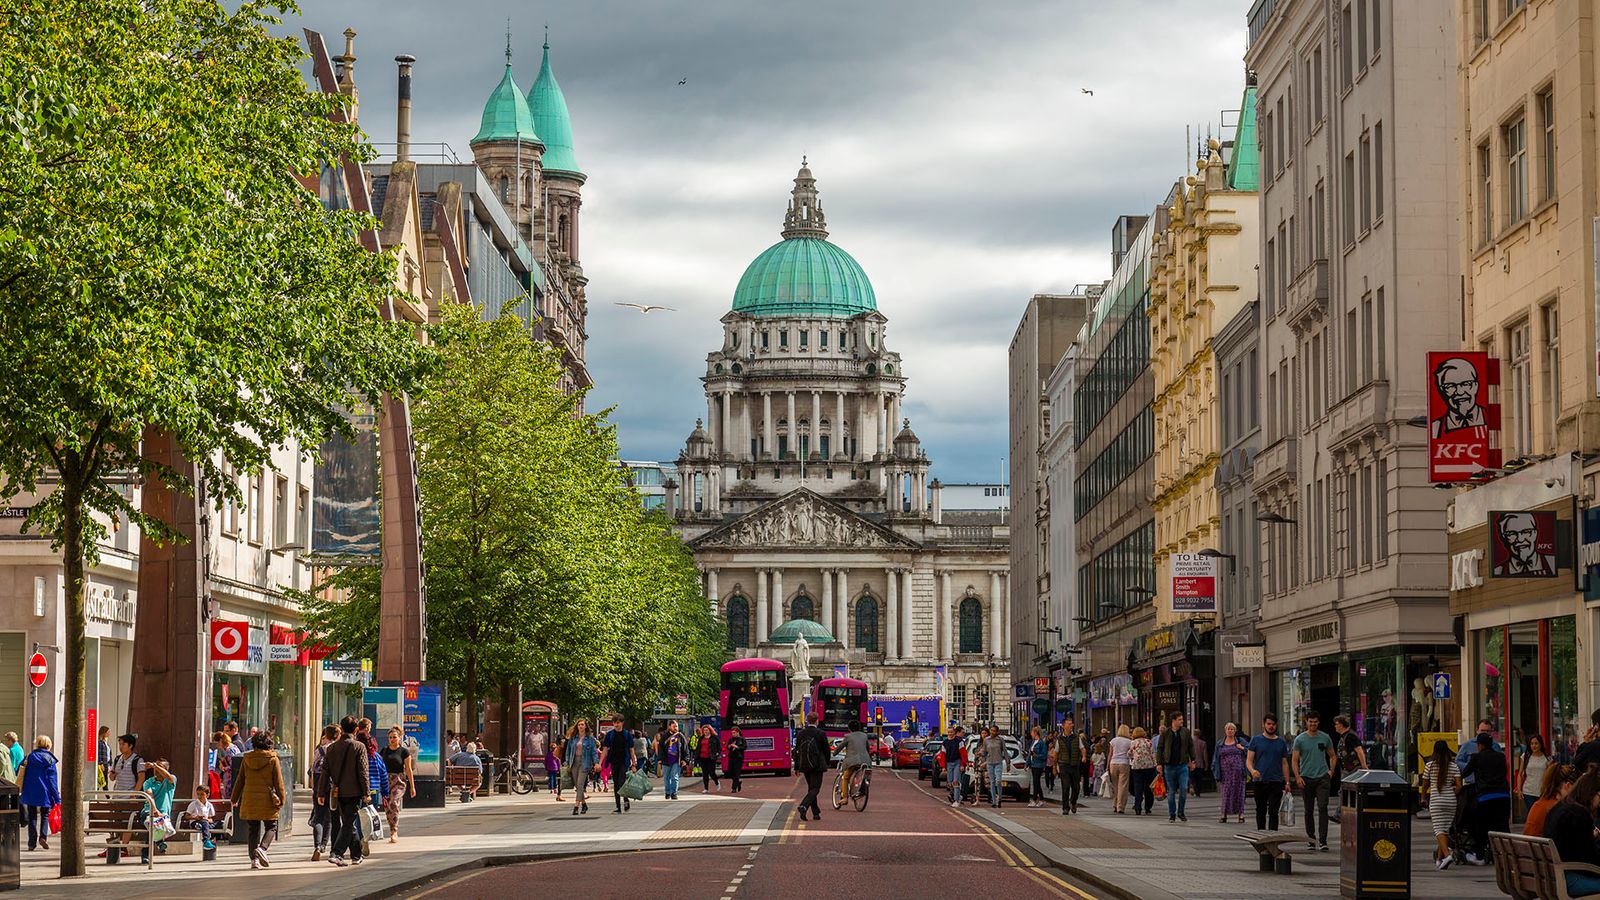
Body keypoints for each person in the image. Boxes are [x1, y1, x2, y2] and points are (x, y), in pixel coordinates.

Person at [315, 715, 369, 867]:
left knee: (348, 823)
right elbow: (363, 772)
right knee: (348, 823)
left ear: (342, 728)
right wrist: (366, 792)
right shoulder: (359, 747)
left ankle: (356, 855)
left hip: (337, 792)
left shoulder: (331, 748)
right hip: (354, 792)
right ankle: (336, 853)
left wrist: (320, 793)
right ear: (356, 729)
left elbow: (325, 772)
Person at [231, 731, 285, 869]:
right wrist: (282, 800)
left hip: (250, 798)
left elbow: (240, 779)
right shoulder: (273, 759)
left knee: (253, 829)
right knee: (271, 826)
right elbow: (278, 783)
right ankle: (262, 848)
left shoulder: (247, 758)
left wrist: (234, 798)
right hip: (267, 799)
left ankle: (254, 861)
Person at [1542, 771, 1600, 896]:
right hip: (1570, 880)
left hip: (1552, 877)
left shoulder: (1560, 808)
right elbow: (1590, 861)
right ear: (1591, 794)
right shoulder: (1579, 814)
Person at [1463, 731, 1511, 865]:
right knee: (1502, 826)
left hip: (1485, 797)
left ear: (1479, 745)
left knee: (1480, 826)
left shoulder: (1476, 757)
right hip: (1503, 796)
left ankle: (1479, 855)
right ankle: (1507, 853)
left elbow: (1465, 773)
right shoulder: (1501, 757)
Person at [1291, 710, 1336, 851]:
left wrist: (1331, 772)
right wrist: (1297, 777)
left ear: (1318, 722)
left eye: (1315, 722)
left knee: (1323, 807)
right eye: (1310, 722)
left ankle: (1323, 841)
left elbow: (1333, 756)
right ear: (1306, 722)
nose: (1313, 724)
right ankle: (1311, 838)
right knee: (1308, 810)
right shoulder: (1300, 739)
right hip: (1306, 778)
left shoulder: (1325, 737)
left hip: (1322, 777)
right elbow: (1294, 760)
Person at [1421, 738, 1462, 869]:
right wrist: (1451, 793)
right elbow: (1459, 786)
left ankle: (1447, 854)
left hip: (1436, 801)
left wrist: (1423, 798)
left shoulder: (1429, 766)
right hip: (1450, 801)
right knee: (1444, 830)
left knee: (1438, 830)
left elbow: (1425, 785)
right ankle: (1439, 859)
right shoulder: (1454, 766)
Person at [1247, 713, 1291, 831]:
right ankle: (1261, 836)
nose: (1271, 726)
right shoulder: (1256, 740)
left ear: (1276, 726)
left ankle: (1272, 837)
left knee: (1273, 811)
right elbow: (1249, 760)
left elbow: (1284, 763)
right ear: (1264, 725)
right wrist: (1252, 770)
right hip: (1260, 781)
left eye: (1273, 724)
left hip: (1276, 781)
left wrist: (1287, 782)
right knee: (1260, 810)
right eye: (1268, 724)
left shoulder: (1281, 742)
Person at [17, 735, 58, 852]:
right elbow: (52, 781)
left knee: (32, 817)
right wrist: (56, 797)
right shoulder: (50, 760)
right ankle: (43, 837)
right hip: (45, 792)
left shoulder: (29, 757)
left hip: (30, 791)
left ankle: (31, 843)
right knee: (45, 815)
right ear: (48, 745)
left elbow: (18, 771)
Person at [1156, 712, 1195, 823]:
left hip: (1182, 765)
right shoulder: (1165, 733)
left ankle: (1181, 812)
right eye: (1179, 719)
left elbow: (1190, 746)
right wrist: (1159, 763)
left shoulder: (1185, 732)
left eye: (1182, 719)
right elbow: (1160, 748)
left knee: (1183, 789)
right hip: (1169, 766)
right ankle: (1172, 814)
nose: (1182, 721)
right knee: (1171, 791)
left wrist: (1193, 760)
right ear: (1173, 721)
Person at [137, 756, 176, 863]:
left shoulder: (170, 780)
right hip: (148, 811)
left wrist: (154, 765)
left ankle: (146, 854)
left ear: (165, 769)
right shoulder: (148, 782)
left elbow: (169, 777)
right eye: (155, 766)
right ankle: (159, 843)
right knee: (152, 821)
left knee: (153, 827)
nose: (156, 769)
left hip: (163, 815)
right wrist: (155, 811)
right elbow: (150, 797)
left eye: (160, 767)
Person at [308, 724, 338, 860]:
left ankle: (317, 846)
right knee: (330, 818)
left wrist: (314, 788)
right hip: (332, 786)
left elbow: (313, 769)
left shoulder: (319, 750)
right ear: (337, 736)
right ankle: (325, 845)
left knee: (318, 817)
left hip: (319, 786)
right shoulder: (336, 749)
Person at [1524, 762, 1577, 838]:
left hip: (1533, 848)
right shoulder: (1558, 809)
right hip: (1548, 848)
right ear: (1567, 786)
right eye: (1575, 788)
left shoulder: (1539, 803)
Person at [381, 727, 415, 841]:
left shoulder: (404, 751)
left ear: (400, 738)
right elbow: (379, 767)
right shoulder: (384, 750)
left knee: (394, 802)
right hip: (386, 781)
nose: (392, 739)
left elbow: (409, 769)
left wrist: (412, 787)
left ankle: (394, 830)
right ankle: (392, 830)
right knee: (387, 806)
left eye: (394, 737)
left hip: (399, 781)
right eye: (390, 737)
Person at [793, 713, 828, 821]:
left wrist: (797, 767)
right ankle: (803, 806)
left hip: (805, 764)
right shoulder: (820, 733)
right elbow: (826, 750)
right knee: (815, 789)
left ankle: (816, 813)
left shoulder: (801, 733)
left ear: (808, 721)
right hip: (817, 765)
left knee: (811, 788)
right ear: (817, 720)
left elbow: (797, 751)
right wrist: (827, 762)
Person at [1213, 722, 1248, 824]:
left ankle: (1241, 815)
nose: (1230, 731)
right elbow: (1215, 757)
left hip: (1239, 772)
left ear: (1235, 731)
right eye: (1228, 729)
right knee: (1226, 793)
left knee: (1239, 792)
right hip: (1225, 773)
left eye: (1232, 729)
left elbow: (1250, 750)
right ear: (1225, 731)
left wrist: (1242, 748)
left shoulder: (1241, 741)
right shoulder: (1220, 743)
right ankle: (1224, 815)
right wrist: (1215, 770)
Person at [601, 715, 637, 814]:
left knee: (621, 781)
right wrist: (600, 762)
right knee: (616, 784)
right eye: (615, 722)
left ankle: (625, 799)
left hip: (624, 761)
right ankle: (618, 807)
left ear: (622, 723)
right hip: (613, 761)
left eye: (618, 722)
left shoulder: (627, 735)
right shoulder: (610, 735)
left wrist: (633, 764)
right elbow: (605, 749)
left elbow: (631, 750)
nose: (616, 724)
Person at [562, 721, 598, 816]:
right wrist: (567, 762)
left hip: (585, 762)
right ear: (577, 727)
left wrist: (596, 763)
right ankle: (584, 804)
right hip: (574, 762)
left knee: (580, 783)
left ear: (586, 726)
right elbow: (568, 751)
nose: (580, 726)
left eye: (582, 724)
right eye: (579, 725)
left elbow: (594, 752)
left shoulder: (590, 739)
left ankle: (576, 806)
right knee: (578, 786)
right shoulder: (573, 739)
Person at [838, 719, 871, 805]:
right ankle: (862, 790)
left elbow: (840, 747)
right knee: (865, 776)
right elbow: (868, 748)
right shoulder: (864, 736)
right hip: (866, 761)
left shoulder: (848, 736)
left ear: (849, 728)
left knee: (845, 778)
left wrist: (834, 753)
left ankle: (845, 798)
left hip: (853, 761)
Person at [1457, 719, 1501, 783]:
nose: (1485, 733)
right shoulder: (1468, 745)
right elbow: (1458, 760)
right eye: (1482, 730)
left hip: (1490, 784)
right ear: (1477, 730)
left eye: (1488, 731)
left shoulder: (1495, 746)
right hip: (1472, 783)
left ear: (1491, 732)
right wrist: (1470, 767)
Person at [1056, 718, 1084, 814]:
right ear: (1063, 726)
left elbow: (1082, 748)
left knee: (1076, 787)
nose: (1071, 725)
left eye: (1071, 724)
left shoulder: (1076, 738)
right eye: (1068, 724)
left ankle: (1073, 801)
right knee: (1065, 787)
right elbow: (1056, 753)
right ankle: (1065, 808)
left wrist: (1084, 756)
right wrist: (1054, 767)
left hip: (1075, 765)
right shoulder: (1059, 739)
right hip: (1064, 765)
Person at [1518, 733, 1552, 813]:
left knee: (1541, 814)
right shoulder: (1525, 756)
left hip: (1542, 792)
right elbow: (1520, 774)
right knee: (1532, 813)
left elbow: (1550, 776)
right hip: (1528, 792)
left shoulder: (1547, 758)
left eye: (1536, 743)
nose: (1534, 746)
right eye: (1532, 744)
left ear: (1540, 744)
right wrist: (1519, 789)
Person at [181, 784, 219, 851]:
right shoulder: (193, 804)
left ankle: (210, 837)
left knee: (219, 823)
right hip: (195, 822)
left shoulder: (209, 805)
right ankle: (206, 840)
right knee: (204, 823)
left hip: (205, 822)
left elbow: (212, 819)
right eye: (198, 794)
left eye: (202, 794)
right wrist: (196, 817)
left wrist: (206, 819)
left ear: (207, 795)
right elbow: (186, 816)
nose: (199, 796)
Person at [1129, 726, 1157, 816]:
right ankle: (1148, 807)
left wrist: (1133, 756)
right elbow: (1153, 754)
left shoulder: (1133, 743)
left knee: (1138, 787)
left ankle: (1138, 808)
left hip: (1137, 767)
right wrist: (1156, 764)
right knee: (1149, 787)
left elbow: (1129, 753)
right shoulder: (1149, 742)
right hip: (1149, 767)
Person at [658, 721, 687, 801]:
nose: (676, 728)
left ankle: (674, 793)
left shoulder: (680, 736)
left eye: (676, 726)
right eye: (674, 726)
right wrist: (660, 759)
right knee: (666, 778)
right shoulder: (664, 736)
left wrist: (685, 759)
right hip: (666, 760)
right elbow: (660, 748)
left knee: (674, 777)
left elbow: (685, 748)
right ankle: (667, 792)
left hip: (676, 760)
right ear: (669, 726)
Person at [1108, 725, 1133, 814]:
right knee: (1123, 786)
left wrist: (1107, 765)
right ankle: (1120, 807)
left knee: (1115, 785)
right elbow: (1131, 754)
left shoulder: (1113, 740)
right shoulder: (1129, 742)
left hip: (1113, 763)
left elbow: (1110, 754)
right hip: (1124, 763)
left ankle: (1114, 804)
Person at [980, 725, 1006, 808]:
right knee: (992, 782)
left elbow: (1005, 751)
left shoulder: (1000, 740)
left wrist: (1008, 763)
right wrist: (980, 756)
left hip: (998, 762)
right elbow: (984, 752)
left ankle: (1000, 798)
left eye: (994, 731)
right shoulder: (986, 740)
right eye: (991, 730)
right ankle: (994, 801)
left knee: (998, 780)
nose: (992, 732)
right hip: (990, 763)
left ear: (997, 732)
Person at [941, 726, 967, 807]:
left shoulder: (959, 741)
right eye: (948, 732)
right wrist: (943, 766)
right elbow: (942, 755)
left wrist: (962, 764)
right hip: (949, 763)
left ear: (954, 733)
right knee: (950, 782)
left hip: (957, 762)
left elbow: (963, 753)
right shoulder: (945, 743)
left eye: (951, 732)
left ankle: (956, 800)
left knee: (956, 781)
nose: (950, 734)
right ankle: (958, 795)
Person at [1027, 726, 1048, 809]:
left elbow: (1044, 755)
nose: (1031, 734)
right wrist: (1027, 764)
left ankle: (1034, 799)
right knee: (1037, 782)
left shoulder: (1041, 743)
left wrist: (1036, 756)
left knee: (1036, 782)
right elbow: (1030, 754)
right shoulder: (1034, 742)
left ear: (1035, 733)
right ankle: (1041, 799)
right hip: (1033, 764)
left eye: (1032, 732)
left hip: (1038, 765)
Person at [696, 724, 721, 793]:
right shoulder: (701, 738)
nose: (705, 731)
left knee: (712, 772)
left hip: (711, 757)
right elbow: (698, 747)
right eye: (704, 730)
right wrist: (696, 756)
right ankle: (706, 788)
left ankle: (717, 782)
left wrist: (717, 753)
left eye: (707, 730)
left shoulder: (714, 737)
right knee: (705, 773)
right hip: (702, 757)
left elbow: (719, 747)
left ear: (710, 730)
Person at [726, 726, 748, 794]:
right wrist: (729, 746)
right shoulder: (731, 739)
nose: (733, 734)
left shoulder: (742, 739)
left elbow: (744, 747)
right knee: (730, 772)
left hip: (738, 758)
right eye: (732, 733)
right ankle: (738, 782)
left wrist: (737, 747)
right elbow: (727, 746)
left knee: (736, 773)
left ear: (738, 732)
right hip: (731, 757)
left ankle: (734, 788)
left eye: (734, 733)